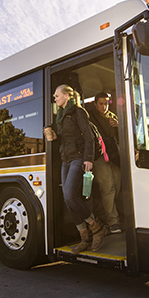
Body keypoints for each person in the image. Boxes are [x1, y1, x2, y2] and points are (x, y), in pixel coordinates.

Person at [44, 84, 107, 254]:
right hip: (66, 160)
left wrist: (88, 159)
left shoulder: (79, 112)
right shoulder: (61, 116)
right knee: (67, 199)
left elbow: (88, 137)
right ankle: (84, 237)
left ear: (67, 95)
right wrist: (54, 136)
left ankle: (97, 227)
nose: (55, 98)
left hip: (78, 158)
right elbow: (65, 139)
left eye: (57, 95)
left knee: (71, 196)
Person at [85, 92, 122, 234]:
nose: (104, 106)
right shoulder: (90, 117)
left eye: (106, 103)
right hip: (98, 156)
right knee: (108, 186)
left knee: (117, 185)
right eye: (101, 103)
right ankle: (113, 222)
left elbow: (123, 136)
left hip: (113, 156)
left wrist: (119, 126)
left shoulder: (113, 117)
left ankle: (101, 213)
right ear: (95, 104)